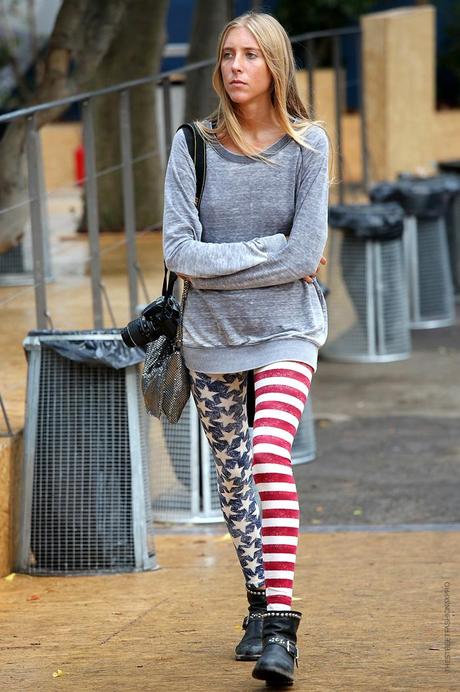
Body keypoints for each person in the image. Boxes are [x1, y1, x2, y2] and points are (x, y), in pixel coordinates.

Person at [162, 10, 330, 687]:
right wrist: (268, 250)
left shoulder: (308, 145)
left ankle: (282, 628)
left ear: (275, 66)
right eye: (227, 54)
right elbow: (179, 253)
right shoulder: (192, 145)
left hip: (290, 327)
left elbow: (309, 256)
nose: (235, 66)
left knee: (267, 452)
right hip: (210, 338)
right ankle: (257, 603)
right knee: (234, 477)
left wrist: (234, 261)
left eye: (250, 55)